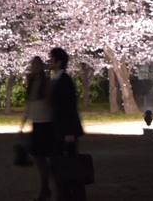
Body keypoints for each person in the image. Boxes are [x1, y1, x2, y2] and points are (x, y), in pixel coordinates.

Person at [48, 47, 85, 201]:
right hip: (60, 129)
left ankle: (73, 196)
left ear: (59, 61)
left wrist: (69, 132)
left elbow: (69, 106)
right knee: (61, 164)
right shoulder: (58, 79)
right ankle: (65, 195)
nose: (49, 61)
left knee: (69, 165)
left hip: (66, 130)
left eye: (51, 59)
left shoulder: (65, 81)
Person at [19, 56, 54, 201]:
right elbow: (29, 104)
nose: (34, 67)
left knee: (46, 158)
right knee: (39, 158)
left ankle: (47, 189)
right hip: (37, 124)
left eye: (36, 64)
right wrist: (23, 122)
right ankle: (45, 188)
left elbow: (51, 103)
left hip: (47, 124)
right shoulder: (32, 83)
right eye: (32, 65)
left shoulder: (47, 83)